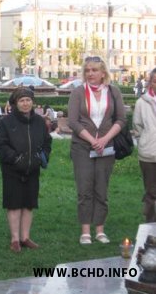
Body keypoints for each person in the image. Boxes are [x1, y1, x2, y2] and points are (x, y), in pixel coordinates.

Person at [68, 56, 126, 245]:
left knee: (102, 188)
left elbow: (120, 120)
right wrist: (93, 140)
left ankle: (100, 229)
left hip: (106, 147)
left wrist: (104, 139)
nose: (90, 73)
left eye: (94, 70)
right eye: (87, 70)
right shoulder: (78, 92)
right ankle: (85, 230)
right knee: (85, 189)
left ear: (103, 73)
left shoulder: (113, 91)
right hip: (82, 147)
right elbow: (73, 122)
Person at [0, 87, 52, 253]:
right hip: (12, 170)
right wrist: (15, 158)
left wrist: (42, 156)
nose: (25, 104)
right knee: (14, 204)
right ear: (15, 103)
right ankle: (14, 239)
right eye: (21, 101)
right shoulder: (7, 122)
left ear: (32, 102)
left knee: (28, 204)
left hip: (32, 169)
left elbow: (47, 142)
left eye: (28, 100)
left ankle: (25, 238)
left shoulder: (40, 122)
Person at [133, 68, 156, 222]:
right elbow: (137, 126)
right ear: (150, 82)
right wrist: (146, 141)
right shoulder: (142, 102)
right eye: (155, 81)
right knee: (151, 192)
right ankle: (151, 226)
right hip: (149, 154)